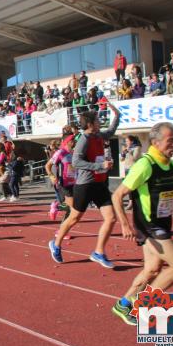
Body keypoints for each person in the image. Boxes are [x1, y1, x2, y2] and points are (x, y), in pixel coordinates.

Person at [111, 122, 173, 325]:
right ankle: (141, 305)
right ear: (155, 142)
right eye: (170, 140)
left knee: (152, 269)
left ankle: (124, 304)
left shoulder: (171, 165)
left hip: (163, 224)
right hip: (149, 226)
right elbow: (117, 195)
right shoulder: (145, 165)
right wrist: (124, 224)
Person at [49, 102, 121, 268]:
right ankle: (56, 243)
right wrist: (99, 166)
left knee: (111, 218)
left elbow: (110, 131)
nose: (99, 121)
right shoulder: (84, 139)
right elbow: (76, 161)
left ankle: (99, 252)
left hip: (100, 184)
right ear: (90, 124)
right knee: (74, 217)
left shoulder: (98, 136)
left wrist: (117, 116)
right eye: (97, 119)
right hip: (85, 184)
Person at [46, 134, 77, 222]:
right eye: (72, 140)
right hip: (63, 183)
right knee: (72, 207)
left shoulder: (74, 153)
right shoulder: (60, 152)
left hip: (73, 183)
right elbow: (47, 166)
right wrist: (52, 176)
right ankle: (56, 206)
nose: (74, 142)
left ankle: (57, 206)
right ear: (67, 142)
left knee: (71, 208)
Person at [120, 135, 142, 210]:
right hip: (127, 169)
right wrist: (123, 153)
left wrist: (128, 151)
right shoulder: (127, 148)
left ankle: (136, 203)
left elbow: (135, 158)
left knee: (134, 186)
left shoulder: (137, 148)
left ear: (131, 141)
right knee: (128, 186)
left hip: (133, 169)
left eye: (127, 141)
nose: (126, 142)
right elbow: (121, 159)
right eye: (125, 141)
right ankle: (130, 203)